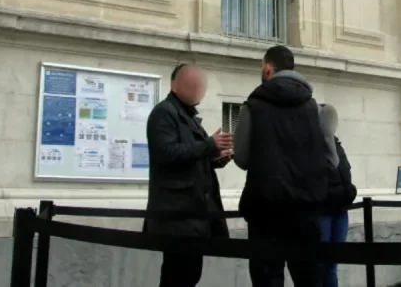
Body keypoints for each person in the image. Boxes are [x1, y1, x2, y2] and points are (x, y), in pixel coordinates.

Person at [234, 45, 338, 287]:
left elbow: (241, 158)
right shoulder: (315, 108)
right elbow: (332, 161)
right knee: (309, 279)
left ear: (268, 69)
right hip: (306, 211)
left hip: (265, 212)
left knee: (267, 279)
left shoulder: (253, 106)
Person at [144, 64, 234, 287]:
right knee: (178, 276)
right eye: (191, 84)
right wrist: (208, 145)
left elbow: (196, 156)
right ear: (175, 85)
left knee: (190, 274)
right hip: (177, 216)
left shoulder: (188, 116)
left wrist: (219, 156)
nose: (197, 89)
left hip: (193, 216)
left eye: (199, 85)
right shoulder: (164, 113)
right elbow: (166, 153)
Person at [318, 103, 356, 287]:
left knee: (332, 264)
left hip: (340, 209)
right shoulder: (312, 147)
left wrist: (350, 191)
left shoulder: (337, 145)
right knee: (321, 264)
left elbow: (344, 174)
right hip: (323, 211)